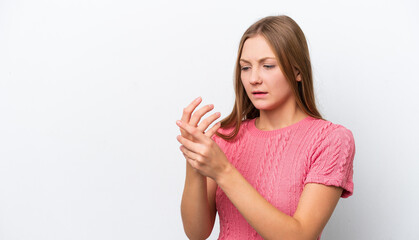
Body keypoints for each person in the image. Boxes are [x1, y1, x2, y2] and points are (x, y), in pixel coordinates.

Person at [175, 15, 355, 240]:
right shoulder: (225, 137)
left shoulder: (330, 139)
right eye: (245, 68)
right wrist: (194, 161)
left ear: (298, 72)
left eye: (268, 66)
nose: (254, 79)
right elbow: (196, 232)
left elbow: (301, 235)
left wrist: (223, 171)